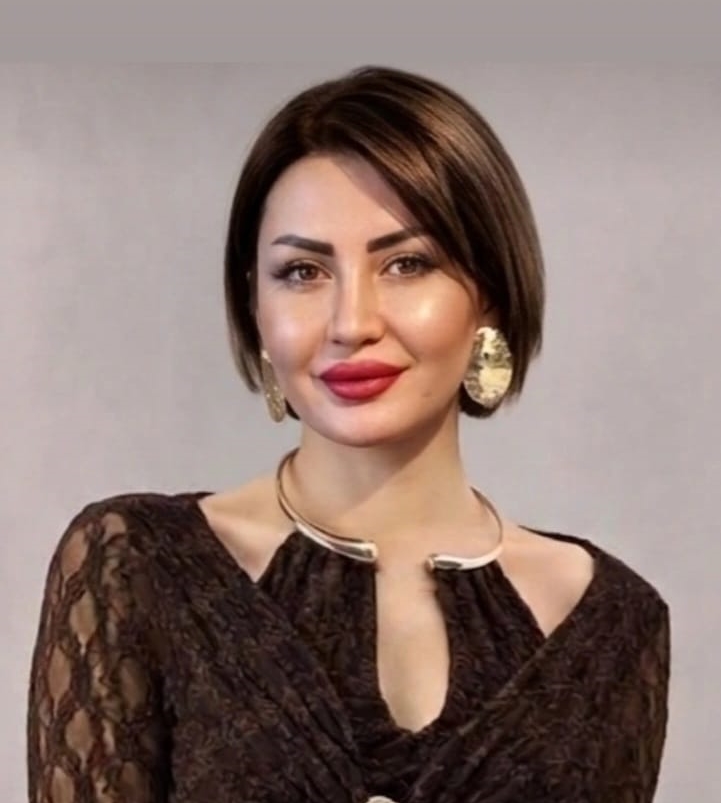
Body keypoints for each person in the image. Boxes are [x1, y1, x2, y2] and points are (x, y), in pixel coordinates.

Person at [26, 66, 670, 803]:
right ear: (256, 309)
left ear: (489, 297)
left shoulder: (613, 623)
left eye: (407, 264)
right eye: (302, 271)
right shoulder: (134, 564)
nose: (351, 323)